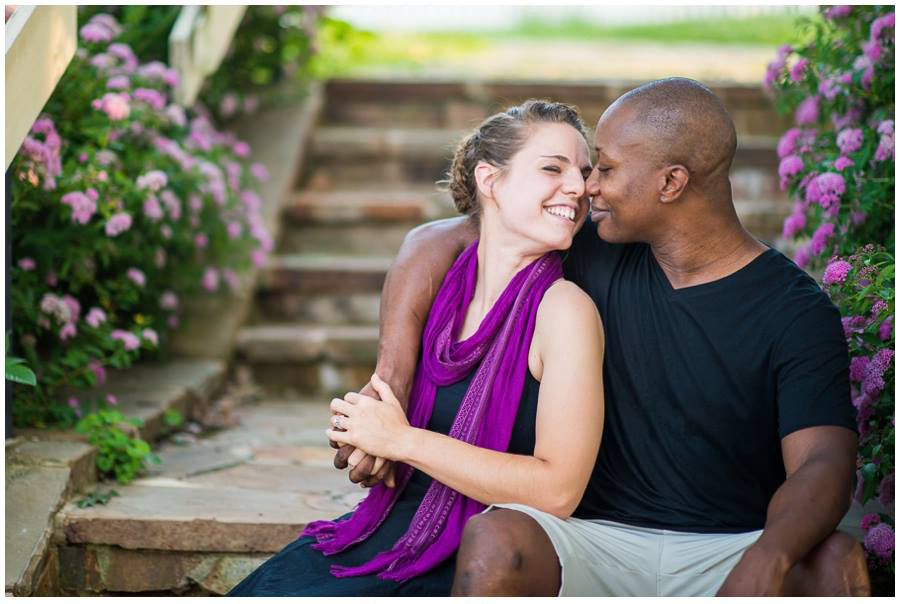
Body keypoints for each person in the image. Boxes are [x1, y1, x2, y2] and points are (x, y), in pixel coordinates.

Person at [335, 77, 870, 596]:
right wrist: (393, 384)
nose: (587, 187)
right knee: (498, 539)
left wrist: (768, 556)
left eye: (605, 170)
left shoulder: (794, 308)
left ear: (670, 183)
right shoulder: (594, 248)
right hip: (595, 540)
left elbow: (824, 463)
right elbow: (434, 241)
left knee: (836, 563)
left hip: (730, 545)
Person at [227, 100, 605, 596]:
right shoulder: (442, 283)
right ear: (490, 181)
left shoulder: (564, 311)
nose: (579, 188)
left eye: (582, 172)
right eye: (553, 169)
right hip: (389, 529)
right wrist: (363, 433)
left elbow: (558, 490)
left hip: (475, 551)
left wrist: (400, 441)